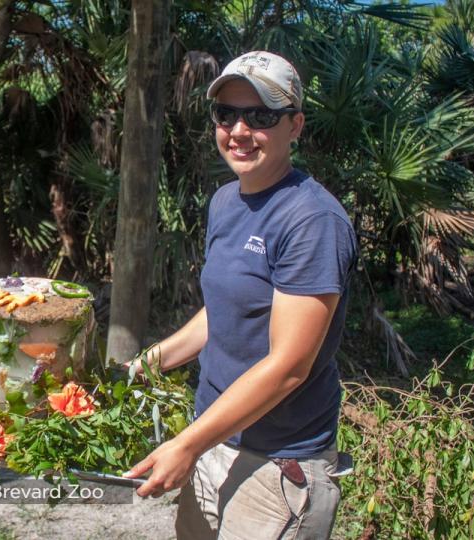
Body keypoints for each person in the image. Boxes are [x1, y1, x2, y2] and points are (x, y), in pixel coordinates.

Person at [123, 51, 357, 539]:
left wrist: (185, 444)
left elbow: (289, 366)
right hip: (213, 442)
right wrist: (146, 363)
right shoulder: (227, 199)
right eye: (226, 113)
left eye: (261, 116)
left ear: (295, 125)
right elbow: (225, 313)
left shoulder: (312, 220)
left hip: (276, 467)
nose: (239, 129)